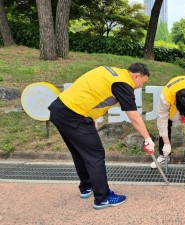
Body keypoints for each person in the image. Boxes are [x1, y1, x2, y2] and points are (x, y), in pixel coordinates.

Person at [48, 63, 155, 210]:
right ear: (136, 76)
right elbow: (134, 117)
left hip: (60, 109)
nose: (139, 87)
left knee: (79, 151)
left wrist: (92, 117)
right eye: (143, 82)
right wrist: (148, 138)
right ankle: (103, 198)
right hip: (74, 116)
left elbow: (91, 91)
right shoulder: (123, 83)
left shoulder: (110, 71)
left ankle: (87, 187)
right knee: (96, 154)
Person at [150, 76, 185, 173]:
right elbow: (161, 121)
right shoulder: (166, 96)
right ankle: (164, 155)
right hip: (171, 110)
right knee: (165, 126)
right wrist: (166, 143)